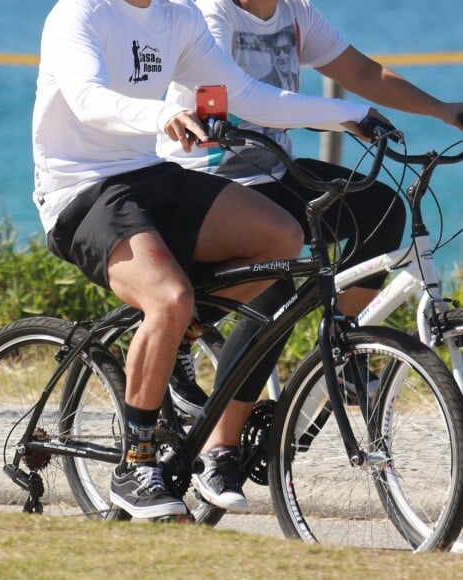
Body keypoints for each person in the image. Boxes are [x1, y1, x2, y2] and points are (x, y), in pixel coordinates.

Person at [33, 0, 391, 520]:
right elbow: (89, 101)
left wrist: (349, 115)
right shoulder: (80, 13)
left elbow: (247, 95)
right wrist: (162, 113)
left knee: (280, 237)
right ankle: (135, 465)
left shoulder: (178, 17)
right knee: (169, 298)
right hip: (81, 190)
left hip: (148, 172)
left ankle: (186, 332)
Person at [157, 0, 463, 513]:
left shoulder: (293, 11)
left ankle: (339, 352)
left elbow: (362, 71)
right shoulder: (211, 14)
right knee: (273, 290)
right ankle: (218, 448)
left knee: (383, 213)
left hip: (273, 174)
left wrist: (444, 110)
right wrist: (346, 115)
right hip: (207, 183)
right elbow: (249, 99)